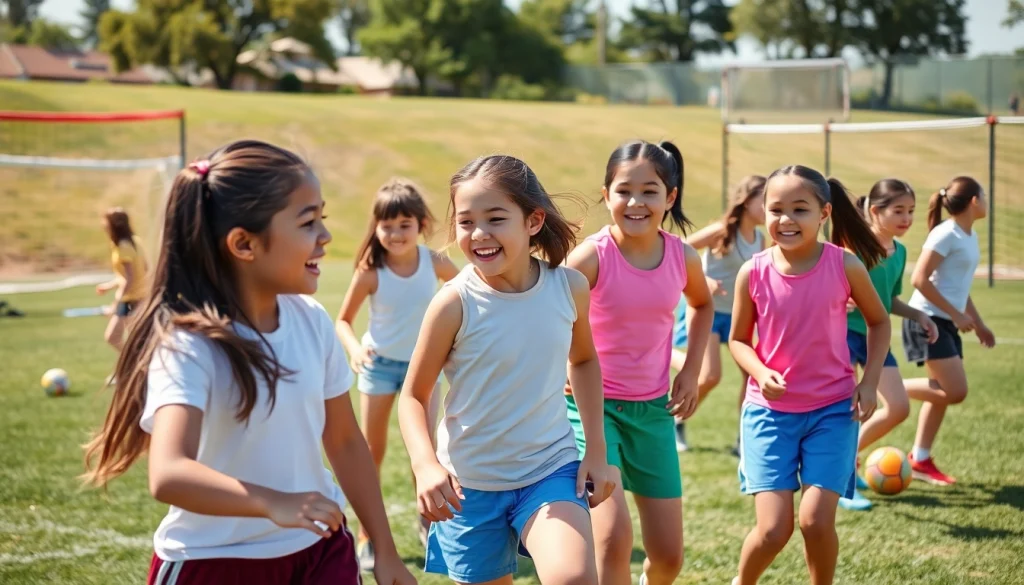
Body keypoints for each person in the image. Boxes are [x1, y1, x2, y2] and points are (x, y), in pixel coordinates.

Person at [81, 140, 414, 585]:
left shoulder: (312, 321)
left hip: (319, 551)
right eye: (307, 221)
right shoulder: (191, 346)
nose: (326, 236)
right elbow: (168, 473)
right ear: (243, 243)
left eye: (323, 218)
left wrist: (386, 551)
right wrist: (271, 502)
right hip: (214, 562)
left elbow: (345, 442)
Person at [399, 154, 618, 585]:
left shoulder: (568, 288)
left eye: (495, 219)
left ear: (533, 221)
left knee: (573, 577)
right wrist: (426, 465)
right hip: (469, 487)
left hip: (549, 470)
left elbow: (585, 360)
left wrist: (595, 449)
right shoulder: (453, 303)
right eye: (465, 222)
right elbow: (413, 395)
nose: (479, 234)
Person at [728, 165, 890, 585]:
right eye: (776, 209)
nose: (786, 220)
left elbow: (879, 322)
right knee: (772, 529)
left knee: (816, 521)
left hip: (832, 412)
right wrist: (760, 373)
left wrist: (869, 381)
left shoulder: (845, 265)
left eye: (799, 209)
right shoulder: (754, 271)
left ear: (824, 214)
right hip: (769, 414)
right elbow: (739, 341)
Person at [566, 140, 713, 585]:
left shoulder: (682, 257)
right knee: (612, 539)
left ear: (669, 197)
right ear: (606, 193)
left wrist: (690, 372)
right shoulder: (590, 258)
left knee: (668, 557)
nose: (635, 202)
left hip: (653, 411)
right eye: (624, 190)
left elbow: (702, 306)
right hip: (592, 410)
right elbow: (553, 316)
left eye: (649, 191)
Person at [335, 177, 458, 569]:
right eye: (387, 225)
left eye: (404, 224)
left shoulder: (436, 263)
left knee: (423, 451)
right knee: (372, 452)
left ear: (421, 224)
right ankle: (367, 533)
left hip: (423, 370)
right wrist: (355, 350)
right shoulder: (371, 271)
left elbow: (471, 292)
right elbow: (342, 321)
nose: (395, 233)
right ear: (376, 228)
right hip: (379, 370)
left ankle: (429, 523)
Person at [838, 179, 939, 511]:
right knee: (849, 413)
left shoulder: (901, 251)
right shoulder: (854, 246)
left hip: (875, 339)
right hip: (842, 337)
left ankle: (848, 462)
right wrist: (841, 301)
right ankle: (842, 484)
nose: (907, 219)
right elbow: (830, 287)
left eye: (910, 211)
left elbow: (889, 300)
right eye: (898, 211)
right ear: (874, 211)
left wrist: (918, 316)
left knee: (897, 407)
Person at [902, 176, 995, 486]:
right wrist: (956, 316)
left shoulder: (970, 236)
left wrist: (978, 323)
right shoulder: (946, 234)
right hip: (926, 319)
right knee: (955, 391)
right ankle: (885, 387)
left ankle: (920, 459)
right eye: (983, 194)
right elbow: (919, 278)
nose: (986, 199)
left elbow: (959, 287)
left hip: (944, 320)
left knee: (942, 394)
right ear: (973, 201)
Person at [670, 174, 766, 453]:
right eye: (765, 200)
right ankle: (675, 422)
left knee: (752, 376)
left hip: (740, 315)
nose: (770, 207)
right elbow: (680, 249)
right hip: (708, 312)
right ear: (747, 201)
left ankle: (744, 439)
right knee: (710, 376)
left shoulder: (760, 239)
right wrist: (702, 280)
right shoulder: (721, 230)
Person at [96, 207, 149, 352]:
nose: (103, 224)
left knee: (115, 338)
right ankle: (134, 366)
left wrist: (114, 305)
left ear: (113, 225)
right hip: (139, 296)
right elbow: (143, 270)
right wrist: (109, 286)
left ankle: (135, 366)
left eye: (105, 221)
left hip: (133, 299)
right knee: (134, 341)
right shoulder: (135, 242)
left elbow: (129, 279)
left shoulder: (123, 247)